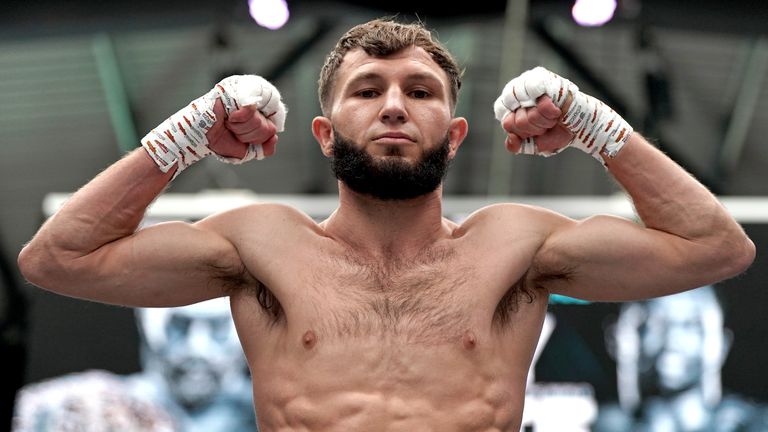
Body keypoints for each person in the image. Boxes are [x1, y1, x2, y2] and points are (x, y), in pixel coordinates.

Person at [17, 18, 755, 431]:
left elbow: (716, 247)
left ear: (457, 133)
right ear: (324, 134)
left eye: (420, 91)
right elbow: (57, 259)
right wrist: (184, 136)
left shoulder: (516, 245)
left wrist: (595, 123)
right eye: (367, 90)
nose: (395, 106)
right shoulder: (260, 241)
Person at [13, 298, 256, 432]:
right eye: (178, 326)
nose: (197, 349)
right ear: (147, 324)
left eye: (218, 328)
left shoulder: (270, 417)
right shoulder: (75, 406)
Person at [594, 286, 768, 432]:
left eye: (689, 325)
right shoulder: (606, 424)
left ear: (721, 344)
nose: (672, 341)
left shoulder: (751, 424)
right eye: (657, 323)